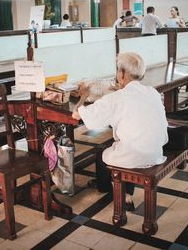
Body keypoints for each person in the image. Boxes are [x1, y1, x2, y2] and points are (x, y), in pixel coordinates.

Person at [72, 52, 168, 210]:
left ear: (122, 74)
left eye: (118, 71)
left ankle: (119, 193)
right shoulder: (152, 92)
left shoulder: (116, 98)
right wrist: (119, 89)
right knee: (127, 142)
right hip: (156, 151)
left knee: (102, 154)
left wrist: (83, 96)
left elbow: (77, 115)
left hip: (136, 155)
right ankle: (123, 191)